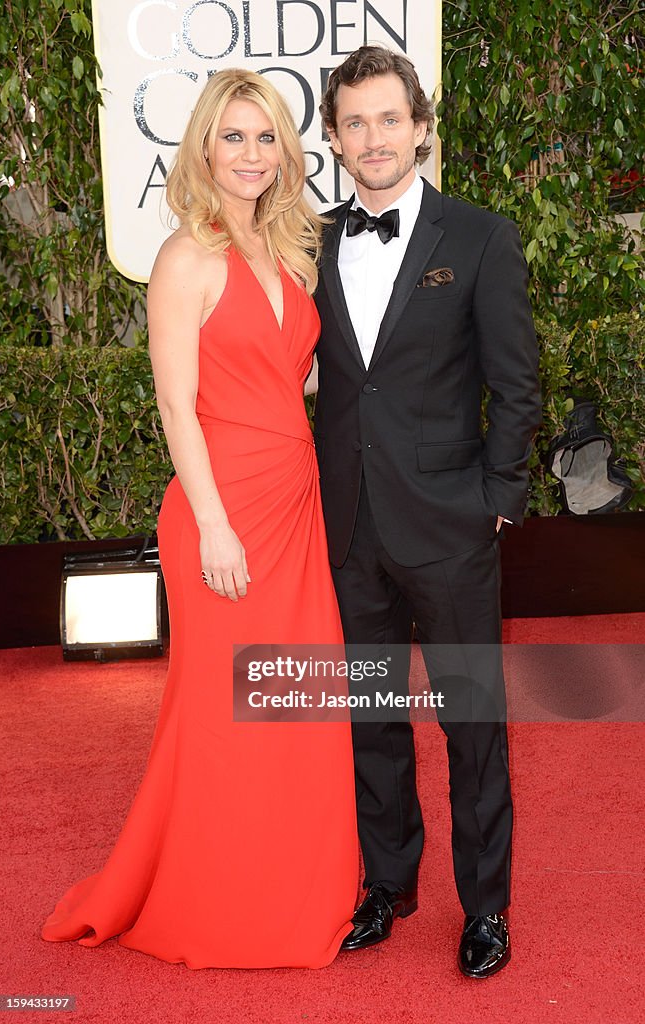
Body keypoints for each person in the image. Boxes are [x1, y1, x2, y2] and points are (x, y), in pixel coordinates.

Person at [41, 69, 359, 969]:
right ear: (204, 149)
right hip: (225, 511)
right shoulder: (184, 258)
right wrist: (215, 525)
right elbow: (178, 407)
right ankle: (219, 904)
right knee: (227, 713)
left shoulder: (286, 251)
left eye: (267, 139)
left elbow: (292, 378)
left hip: (295, 502)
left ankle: (296, 887)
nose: (252, 155)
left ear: (285, 152)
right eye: (235, 138)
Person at [312, 46, 541, 978]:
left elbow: (516, 383)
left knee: (473, 725)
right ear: (332, 138)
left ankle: (485, 908)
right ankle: (388, 883)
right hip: (348, 525)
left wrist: (497, 498)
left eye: (389, 119)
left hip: (452, 525)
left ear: (421, 128)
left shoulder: (481, 236)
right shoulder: (309, 239)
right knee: (371, 718)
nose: (373, 138)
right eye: (355, 122)